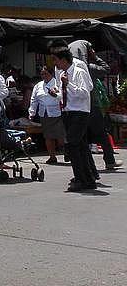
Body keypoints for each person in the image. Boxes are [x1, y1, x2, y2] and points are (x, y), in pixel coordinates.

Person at [69, 39, 122, 173]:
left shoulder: (68, 68)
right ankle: (109, 160)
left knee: (81, 137)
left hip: (76, 108)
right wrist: (95, 56)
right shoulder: (87, 67)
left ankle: (86, 165)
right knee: (101, 134)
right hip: (91, 105)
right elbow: (106, 69)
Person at [54, 47, 95, 192]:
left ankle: (81, 179)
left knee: (72, 145)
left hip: (80, 112)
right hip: (68, 111)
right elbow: (64, 94)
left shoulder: (79, 72)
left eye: (56, 59)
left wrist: (68, 84)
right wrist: (56, 93)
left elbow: (84, 93)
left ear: (64, 59)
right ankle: (88, 178)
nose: (55, 63)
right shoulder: (62, 74)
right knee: (81, 146)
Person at [28, 64, 65, 165]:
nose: (43, 76)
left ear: (51, 73)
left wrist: (55, 95)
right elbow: (34, 100)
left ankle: (66, 150)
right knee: (48, 136)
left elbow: (61, 97)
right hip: (44, 113)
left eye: (45, 73)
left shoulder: (57, 83)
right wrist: (32, 112)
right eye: (42, 74)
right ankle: (52, 156)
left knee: (60, 136)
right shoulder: (38, 85)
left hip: (56, 113)